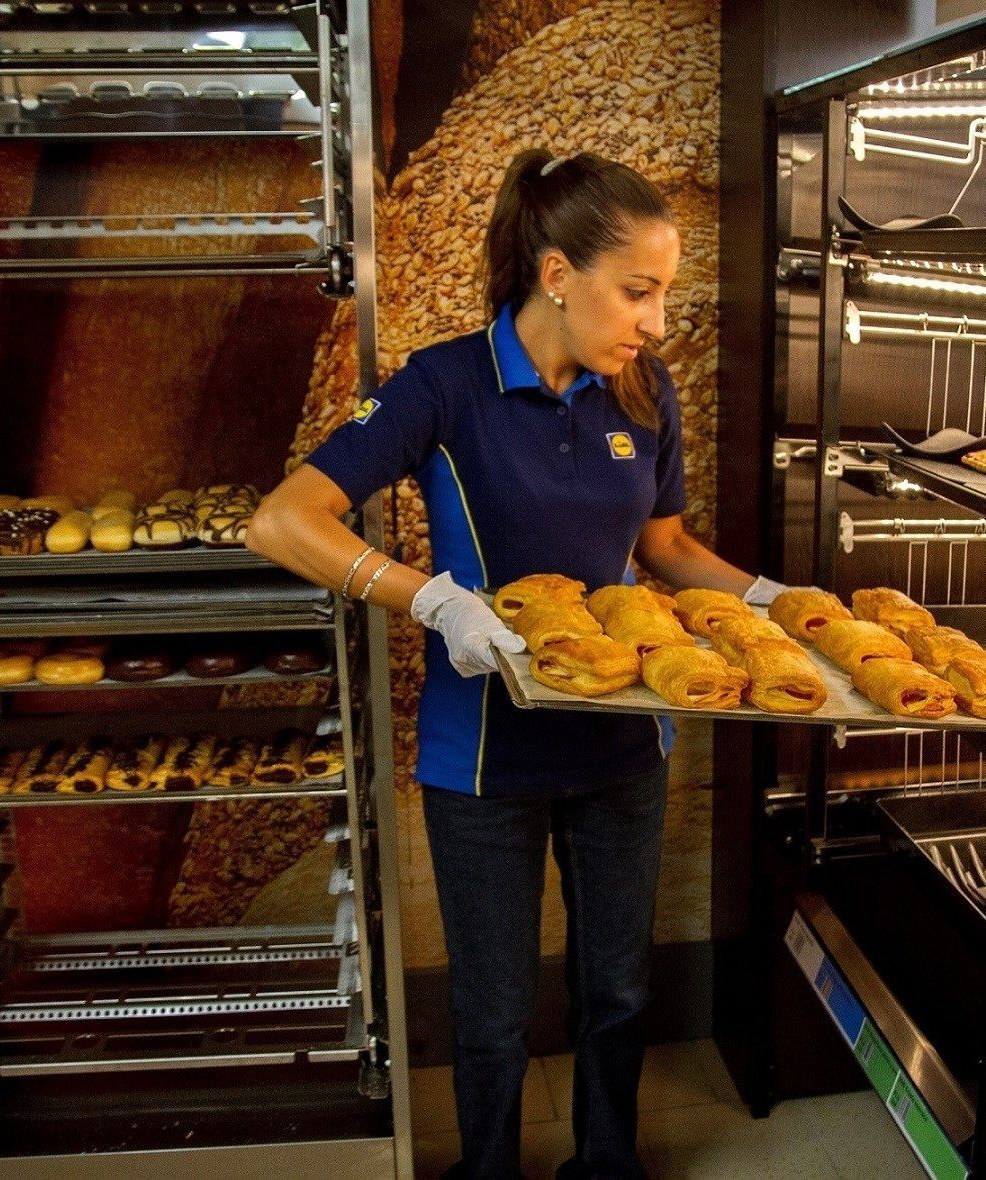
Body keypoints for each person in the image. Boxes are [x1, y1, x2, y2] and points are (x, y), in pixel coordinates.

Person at [247, 148, 782, 1180]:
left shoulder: (643, 392)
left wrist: (769, 604)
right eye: (639, 292)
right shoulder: (443, 384)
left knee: (617, 989)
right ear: (554, 274)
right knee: (493, 1008)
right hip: (483, 759)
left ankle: (606, 1165)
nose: (657, 322)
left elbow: (664, 549)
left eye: (661, 295)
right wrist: (433, 599)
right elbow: (285, 520)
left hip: (625, 745)